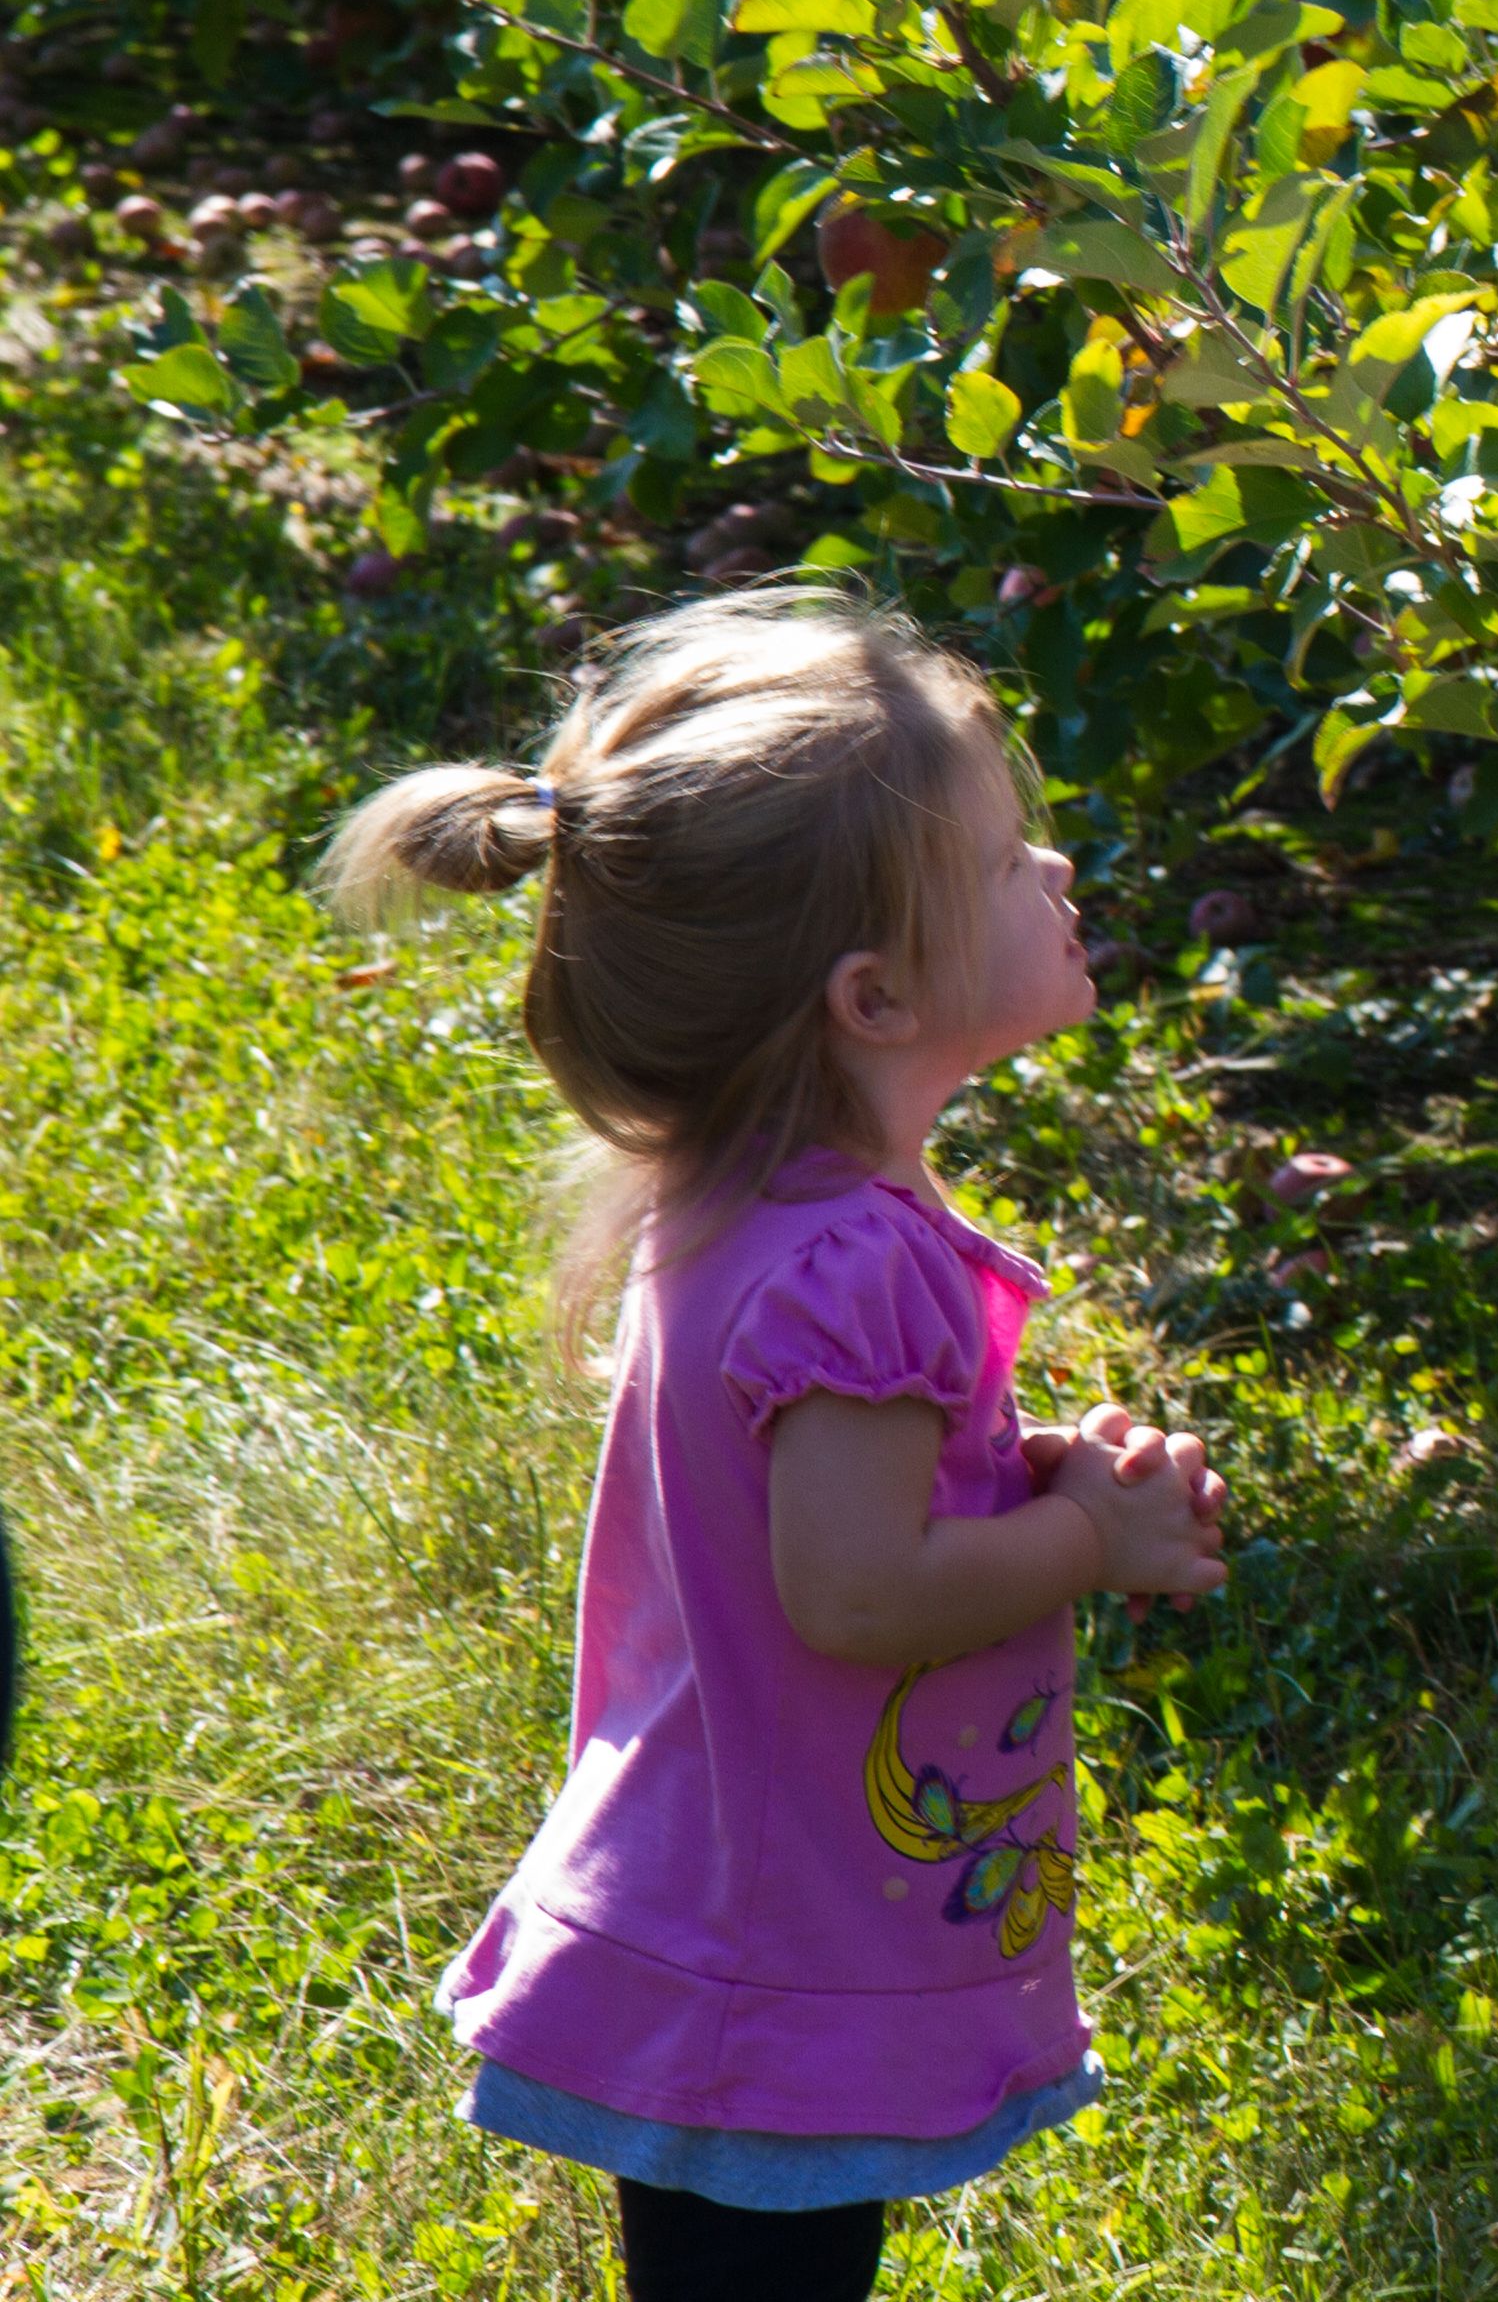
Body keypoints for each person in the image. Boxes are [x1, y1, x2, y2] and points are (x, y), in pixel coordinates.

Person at [326, 587, 1228, 2302]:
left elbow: (801, 1511)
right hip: (782, 1942)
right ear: (875, 997)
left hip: (728, 1901)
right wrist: (1089, 1543)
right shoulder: (860, 1260)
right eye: (1003, 859)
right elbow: (859, 1589)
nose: (1054, 876)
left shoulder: (753, 1206)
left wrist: (1025, 1471)